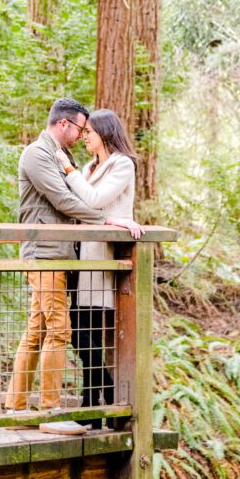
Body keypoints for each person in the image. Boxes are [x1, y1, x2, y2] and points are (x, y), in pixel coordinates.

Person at [4, 98, 108, 413]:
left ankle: (15, 405)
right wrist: (104, 220)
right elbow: (62, 198)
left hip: (60, 255)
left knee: (38, 328)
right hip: (44, 255)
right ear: (64, 124)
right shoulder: (37, 154)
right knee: (60, 329)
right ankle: (51, 408)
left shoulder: (61, 155)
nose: (81, 135)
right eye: (79, 128)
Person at [56, 109, 143, 413]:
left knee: (86, 330)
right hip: (81, 255)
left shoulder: (122, 165)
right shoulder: (93, 165)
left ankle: (91, 403)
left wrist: (69, 171)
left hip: (103, 257)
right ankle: (96, 399)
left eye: (89, 132)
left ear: (104, 133)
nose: (85, 137)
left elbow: (93, 199)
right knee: (80, 332)